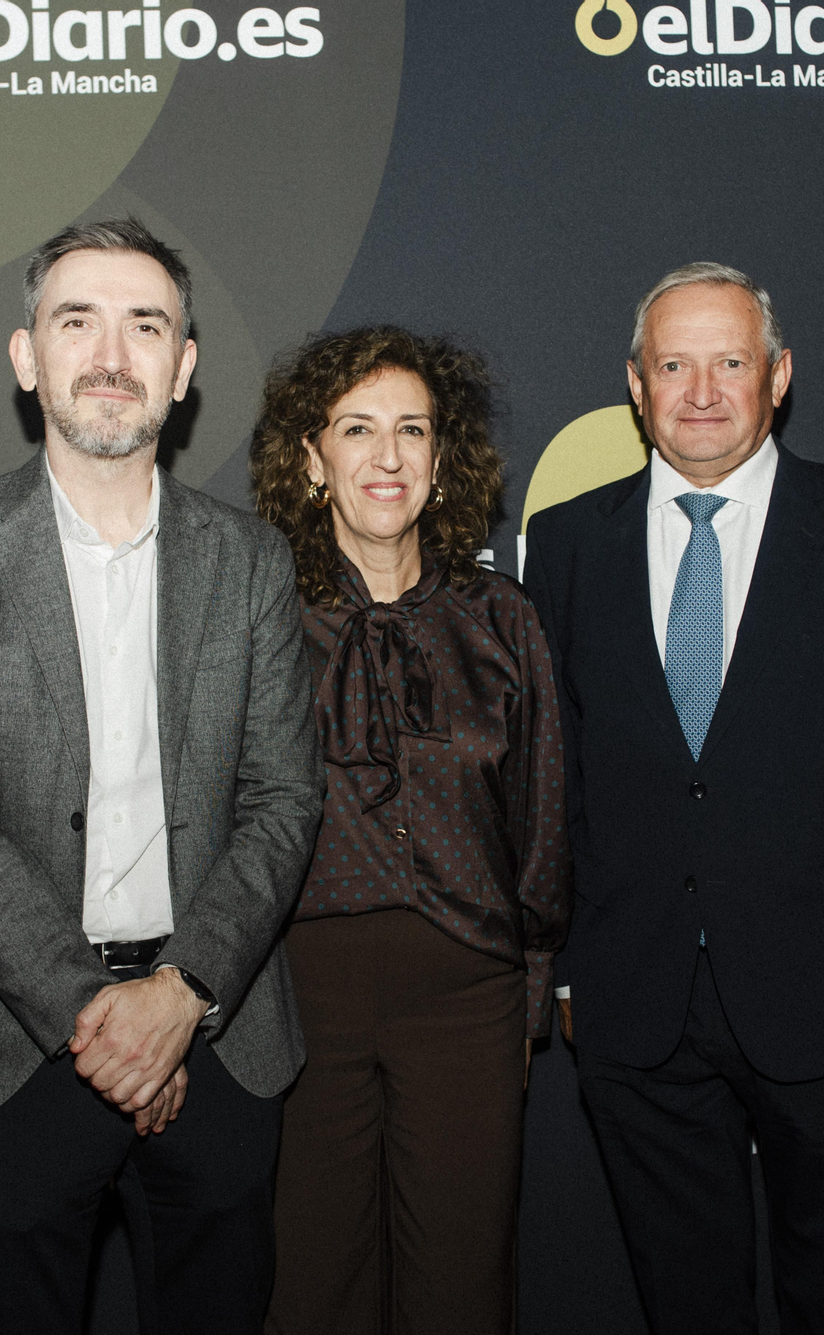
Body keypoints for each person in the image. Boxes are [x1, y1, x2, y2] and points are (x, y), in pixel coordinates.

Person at [522, 263, 824, 1335]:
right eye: (672, 364)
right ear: (633, 386)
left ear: (776, 377)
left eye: (728, 361)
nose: (700, 391)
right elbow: (559, 778)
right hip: (633, 1009)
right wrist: (569, 966)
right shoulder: (569, 542)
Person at [0, 219, 324, 1335]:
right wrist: (97, 1020)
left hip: (219, 1043)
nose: (111, 354)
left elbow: (282, 800)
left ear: (182, 369)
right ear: (28, 359)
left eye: (146, 325)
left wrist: (177, 998)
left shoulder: (252, 561)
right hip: (13, 1048)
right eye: (76, 320)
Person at [250, 327, 571, 1335]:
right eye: (357, 430)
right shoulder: (260, 616)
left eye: (411, 431)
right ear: (312, 459)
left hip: (465, 999)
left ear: (442, 459)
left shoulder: (501, 617)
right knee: (314, 1285)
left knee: (459, 1287)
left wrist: (527, 985)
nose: (386, 457)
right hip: (303, 995)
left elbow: (541, 812)